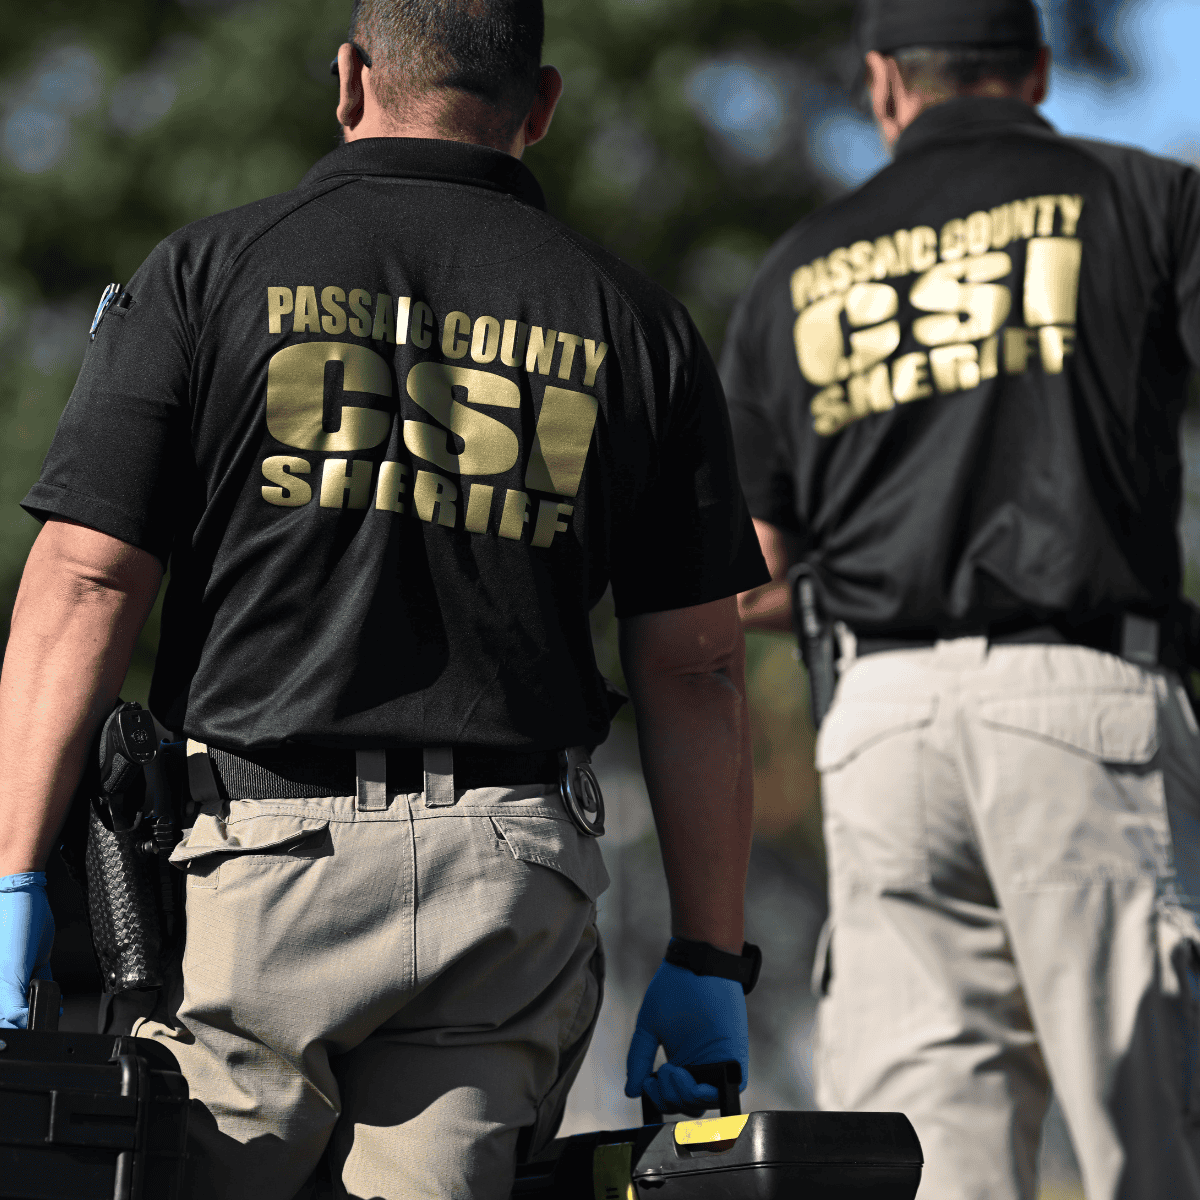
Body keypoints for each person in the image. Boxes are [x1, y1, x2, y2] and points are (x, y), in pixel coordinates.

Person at [0, 2, 769, 1196]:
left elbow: (88, 577)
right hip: (507, 887)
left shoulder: (210, 272)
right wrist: (710, 956)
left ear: (350, 78)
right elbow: (699, 667)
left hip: (258, 875)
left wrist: (12, 872)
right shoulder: (640, 324)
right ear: (542, 106)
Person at [724, 1, 1200, 1197]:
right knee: (1158, 1146)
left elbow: (742, 582)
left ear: (886, 82)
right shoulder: (1145, 200)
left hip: (881, 731)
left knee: (924, 1164)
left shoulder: (797, 270)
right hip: (1086, 702)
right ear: (1036, 70)